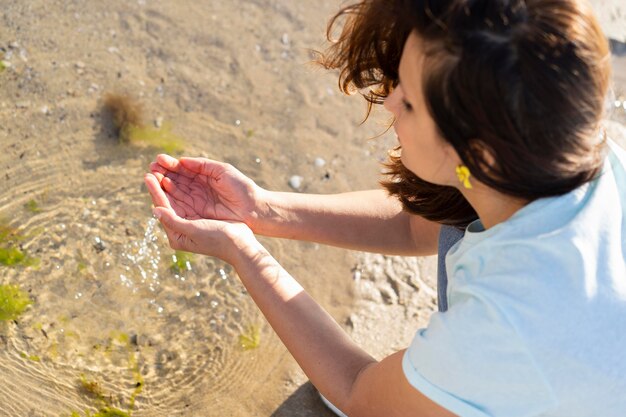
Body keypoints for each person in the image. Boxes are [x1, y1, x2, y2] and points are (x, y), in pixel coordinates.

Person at [144, 0, 626, 415]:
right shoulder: (572, 149)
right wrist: (261, 211)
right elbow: (422, 227)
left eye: (411, 102)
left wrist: (243, 253)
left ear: (476, 154)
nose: (391, 99)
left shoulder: (510, 320)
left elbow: (357, 393)